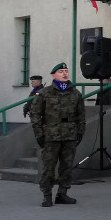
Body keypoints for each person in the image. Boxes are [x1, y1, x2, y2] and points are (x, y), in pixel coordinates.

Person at [30, 63, 85, 207]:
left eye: (66, 71)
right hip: (50, 136)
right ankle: (47, 195)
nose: (65, 74)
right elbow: (35, 114)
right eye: (61, 71)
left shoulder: (75, 93)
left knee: (66, 167)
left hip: (70, 135)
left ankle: (62, 193)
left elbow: (81, 115)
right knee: (48, 167)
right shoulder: (45, 93)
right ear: (54, 75)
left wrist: (80, 132)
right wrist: (38, 133)